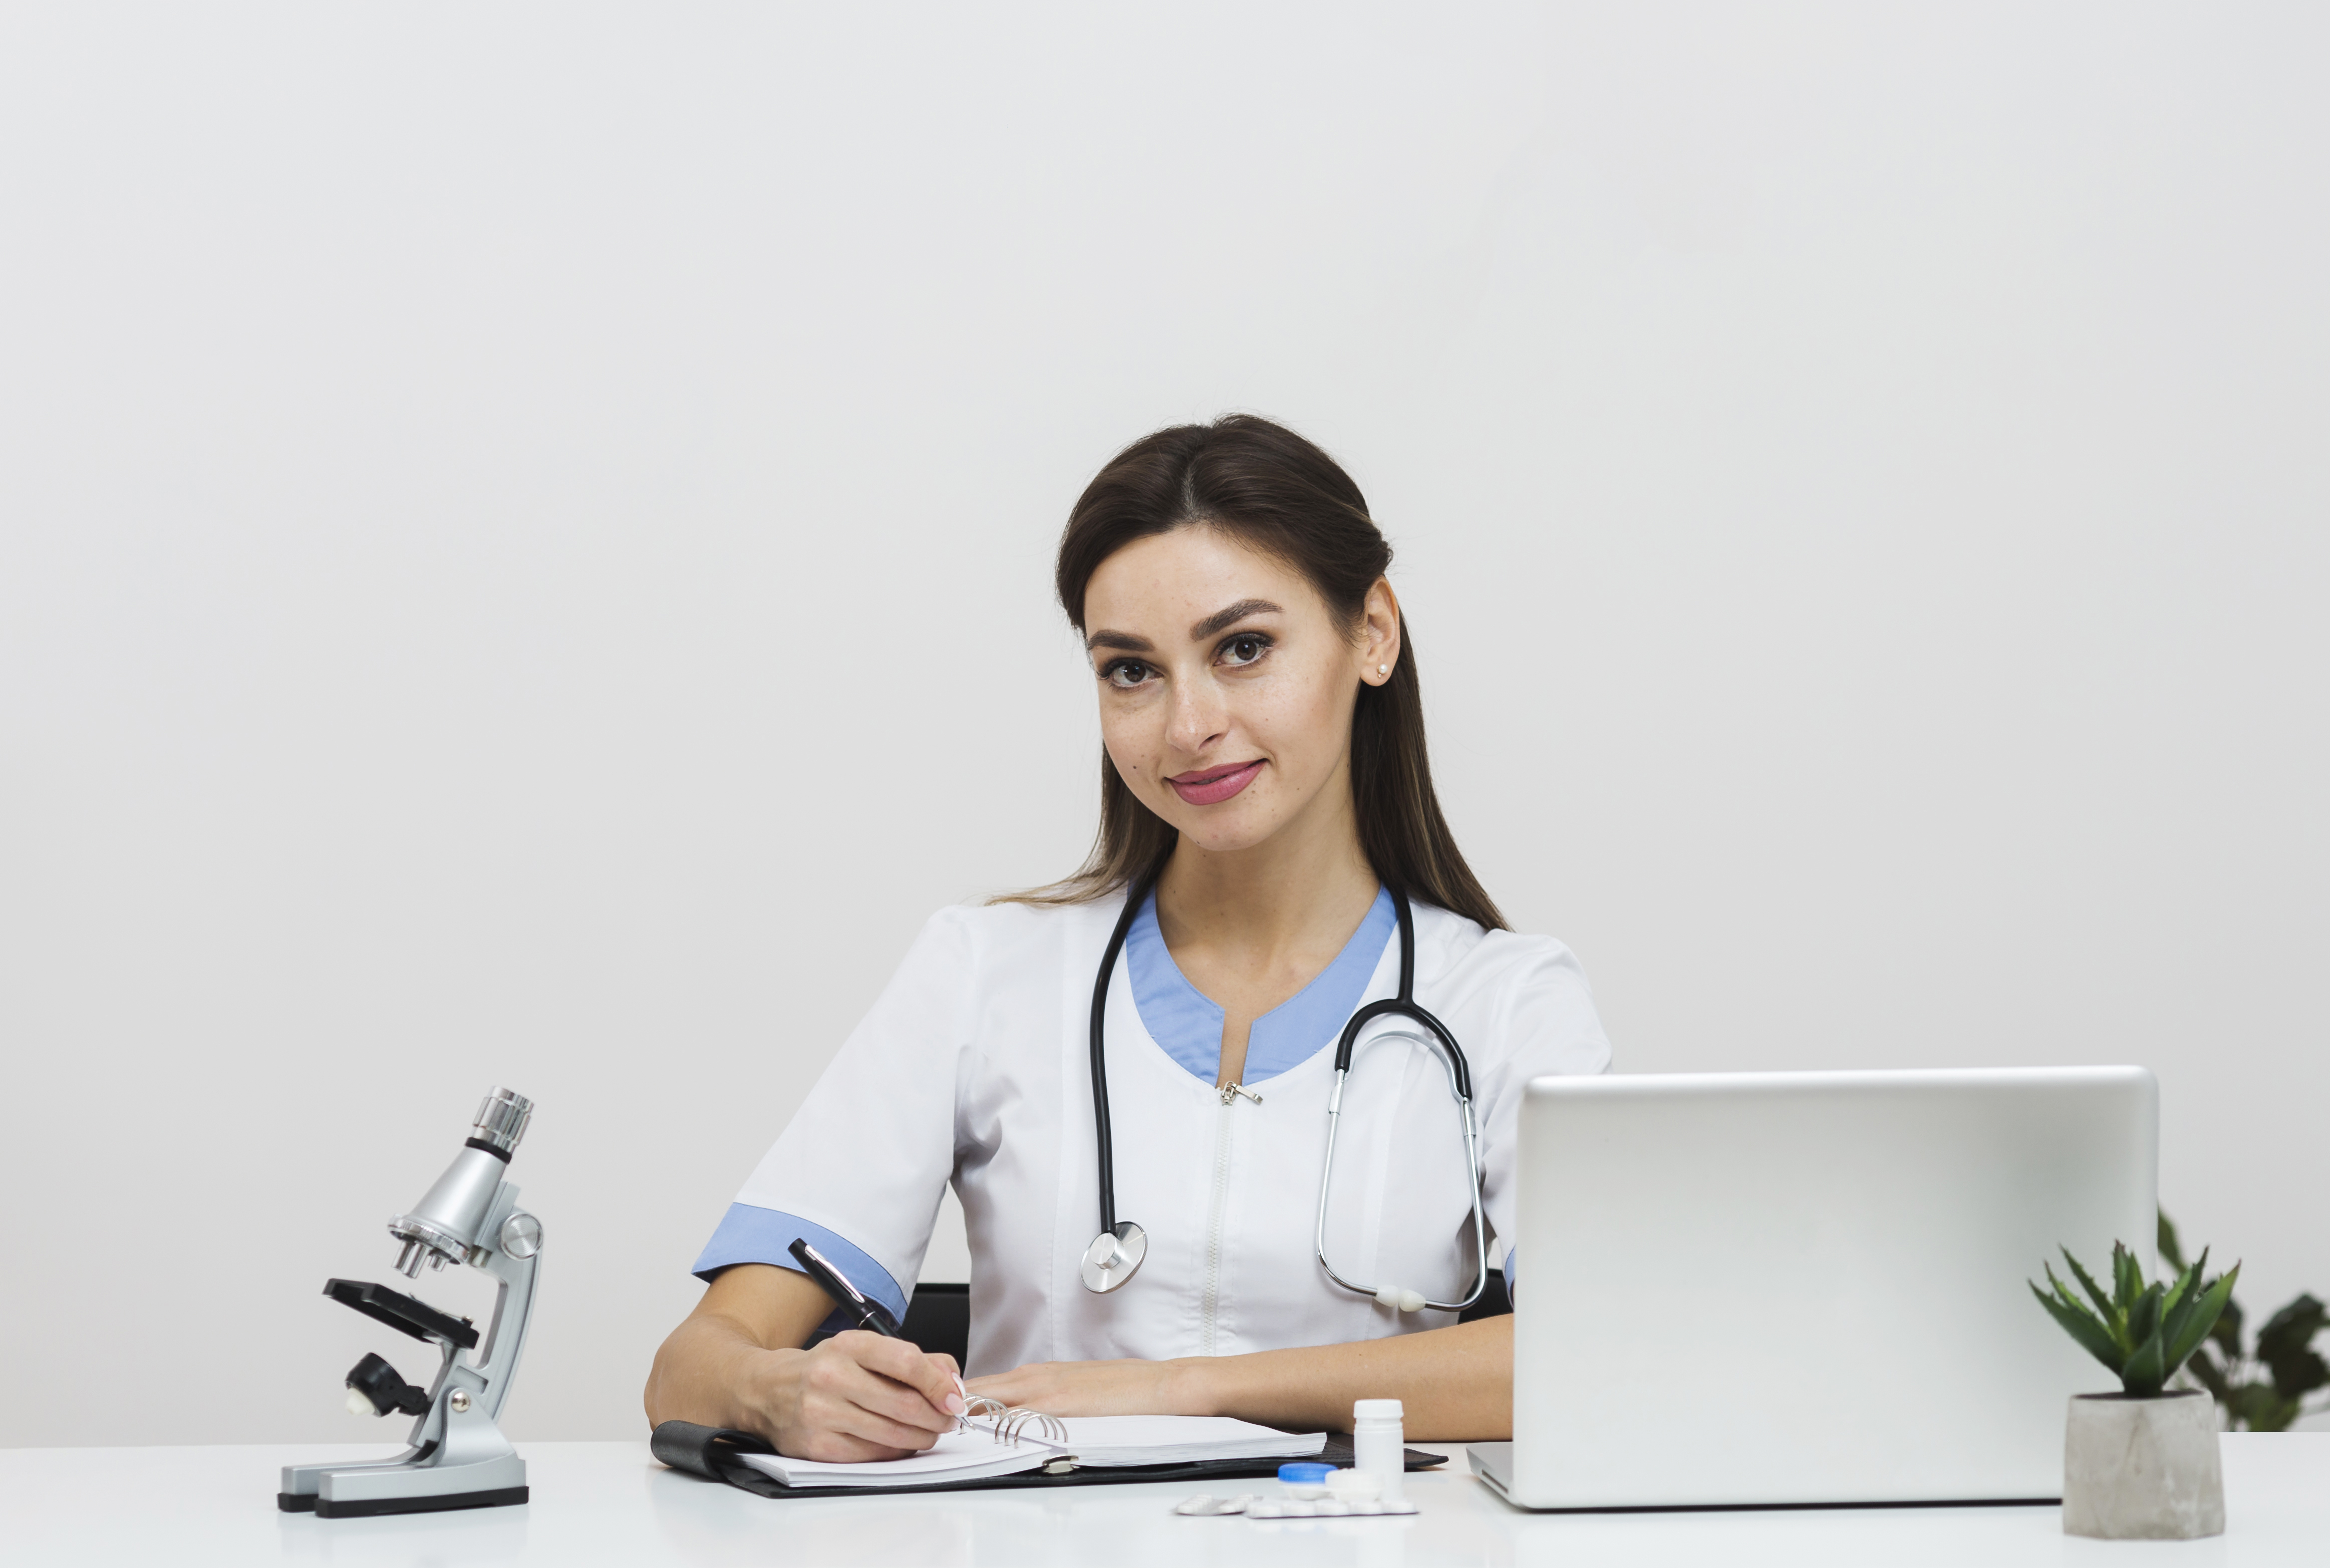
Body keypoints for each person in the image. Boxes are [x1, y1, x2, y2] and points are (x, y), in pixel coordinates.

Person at [643, 415, 1610, 1457]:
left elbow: (1602, 1350)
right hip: (1042, 1529)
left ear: (1372, 632)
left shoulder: (1505, 1002)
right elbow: (690, 1367)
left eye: (1244, 649)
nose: (1188, 727)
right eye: (1131, 671)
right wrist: (779, 1390)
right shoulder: (986, 970)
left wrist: (1179, 1389)